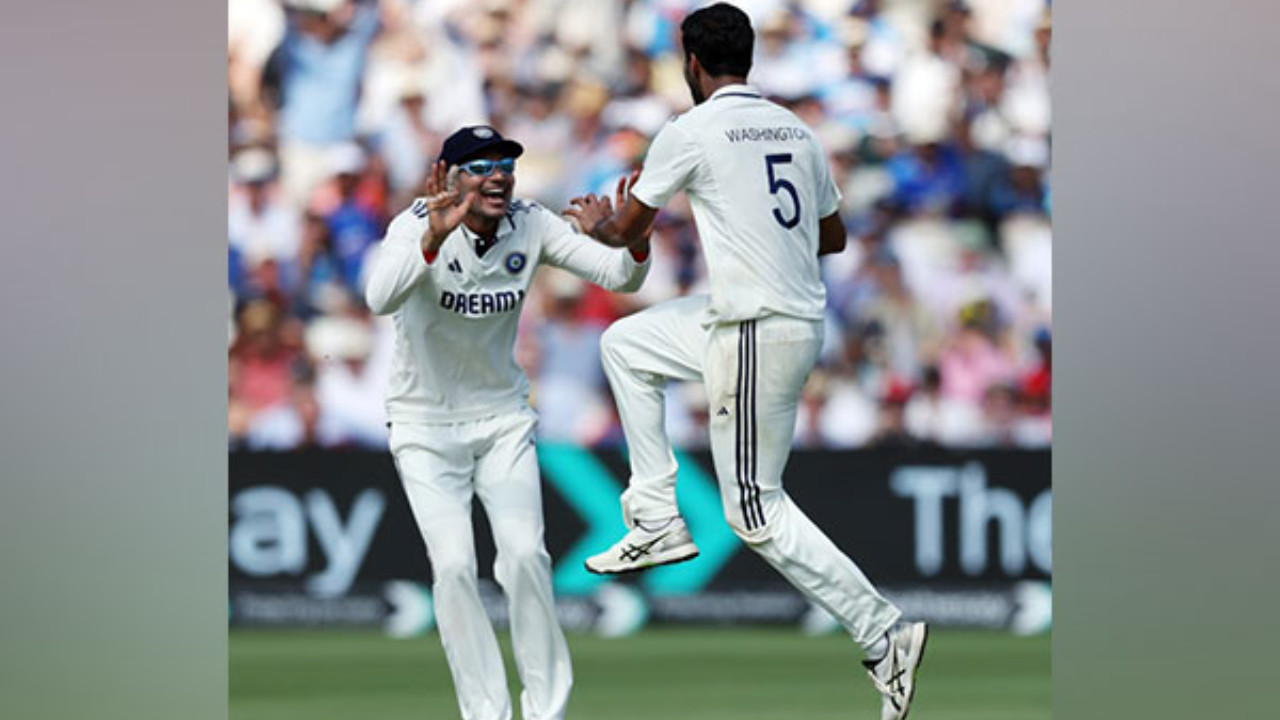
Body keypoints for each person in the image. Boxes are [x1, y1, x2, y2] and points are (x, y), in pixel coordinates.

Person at [561, 5, 926, 719]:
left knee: (754, 511)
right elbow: (834, 235)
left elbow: (627, 230)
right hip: (757, 316)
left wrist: (601, 224)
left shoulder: (690, 129)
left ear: (691, 64)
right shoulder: (797, 129)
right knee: (627, 345)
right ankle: (657, 513)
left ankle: (882, 631)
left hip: (758, 326)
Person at [363, 125, 651, 720]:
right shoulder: (415, 224)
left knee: (525, 557)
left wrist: (633, 237)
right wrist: (431, 240)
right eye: (481, 166)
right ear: (449, 175)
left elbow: (621, 278)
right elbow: (378, 298)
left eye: (505, 164)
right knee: (454, 567)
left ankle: (546, 711)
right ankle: (485, 713)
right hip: (423, 426)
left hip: (501, 419)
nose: (498, 175)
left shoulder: (532, 223)